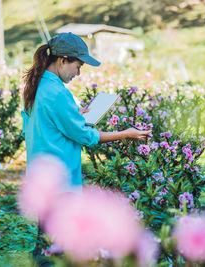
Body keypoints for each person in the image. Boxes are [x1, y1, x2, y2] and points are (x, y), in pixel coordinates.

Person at [21, 32, 151, 259]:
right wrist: (126, 134)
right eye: (78, 66)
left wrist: (73, 115)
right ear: (63, 61)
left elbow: (49, 121)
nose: (78, 73)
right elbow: (85, 136)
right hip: (60, 180)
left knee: (46, 241)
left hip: (43, 176)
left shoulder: (38, 84)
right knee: (55, 249)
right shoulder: (57, 92)